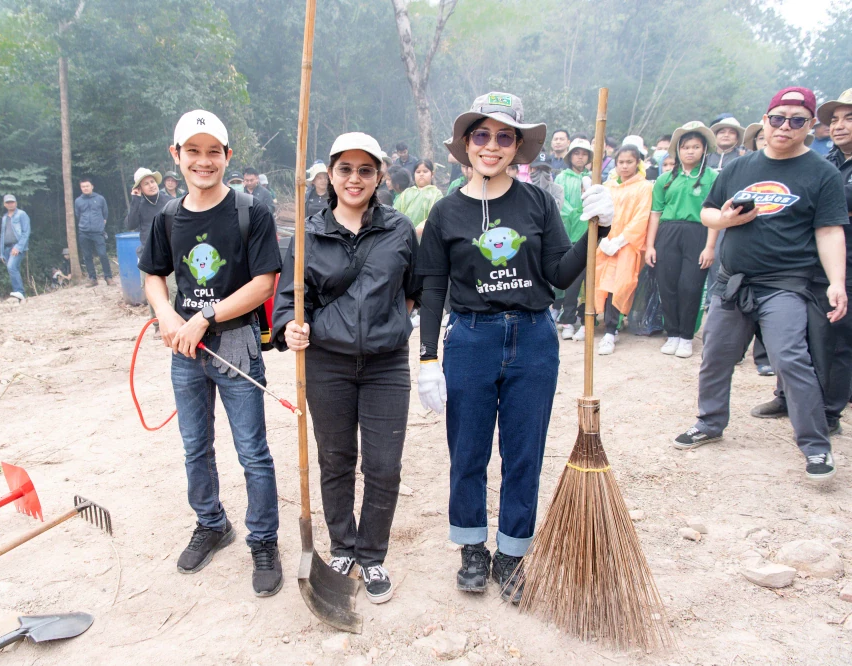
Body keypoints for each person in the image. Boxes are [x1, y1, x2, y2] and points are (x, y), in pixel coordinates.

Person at [414, 91, 615, 599]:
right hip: (471, 339)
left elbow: (559, 275)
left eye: (505, 137)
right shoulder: (445, 212)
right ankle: (472, 549)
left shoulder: (538, 203)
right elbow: (432, 289)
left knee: (524, 453)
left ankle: (511, 553)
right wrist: (428, 358)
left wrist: (597, 230)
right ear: (466, 143)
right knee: (468, 452)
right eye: (482, 134)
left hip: (533, 339)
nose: (492, 145)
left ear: (517, 146)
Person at [137, 109, 284, 595]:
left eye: (213, 152)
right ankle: (211, 522)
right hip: (185, 348)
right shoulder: (167, 215)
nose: (204, 161)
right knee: (195, 446)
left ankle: (263, 540)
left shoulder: (250, 211)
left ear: (227, 156)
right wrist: (165, 312)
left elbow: (264, 283)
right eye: (193, 152)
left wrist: (206, 315)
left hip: (236, 342)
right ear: (175, 155)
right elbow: (153, 275)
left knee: (252, 452)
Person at [272, 132, 420, 604]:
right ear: (329, 176)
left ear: (379, 177)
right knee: (335, 459)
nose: (354, 179)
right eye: (345, 169)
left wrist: (387, 325)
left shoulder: (399, 229)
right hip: (326, 364)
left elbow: (413, 290)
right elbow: (288, 300)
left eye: (365, 170)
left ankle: (372, 555)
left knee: (384, 465)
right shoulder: (308, 234)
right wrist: (289, 328)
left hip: (386, 365)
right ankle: (342, 547)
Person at [674, 87, 849, 482]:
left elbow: (829, 231)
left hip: (784, 284)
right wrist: (725, 221)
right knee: (715, 355)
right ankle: (709, 422)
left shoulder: (821, 173)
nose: (785, 126)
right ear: (765, 121)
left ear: (810, 125)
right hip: (732, 282)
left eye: (797, 120)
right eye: (778, 118)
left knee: (791, 359)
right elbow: (708, 212)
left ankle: (816, 445)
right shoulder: (740, 167)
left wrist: (836, 282)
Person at [749, 88, 852, 434]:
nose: (839, 126)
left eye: (849, 118)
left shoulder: (819, 168)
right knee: (795, 335)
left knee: (835, 340)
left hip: (844, 264)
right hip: (807, 261)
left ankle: (830, 411)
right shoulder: (828, 160)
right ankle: (786, 397)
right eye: (834, 119)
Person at [644, 121, 718, 358]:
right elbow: (655, 214)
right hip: (667, 233)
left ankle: (686, 336)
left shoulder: (712, 177)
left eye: (695, 147)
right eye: (685, 147)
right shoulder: (665, 179)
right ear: (677, 150)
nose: (690, 151)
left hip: (698, 232)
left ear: (704, 149)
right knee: (667, 285)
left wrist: (710, 247)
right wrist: (650, 245)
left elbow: (714, 214)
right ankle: (672, 333)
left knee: (690, 286)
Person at [594, 145, 653, 355]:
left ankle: (611, 330)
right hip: (606, 244)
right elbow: (598, 213)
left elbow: (641, 217)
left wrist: (620, 241)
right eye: (621, 162)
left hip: (627, 245)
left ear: (638, 163)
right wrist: (603, 240)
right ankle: (606, 326)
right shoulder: (608, 187)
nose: (625, 166)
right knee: (603, 284)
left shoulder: (644, 187)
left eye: (630, 162)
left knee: (620, 285)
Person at [125, 168, 174, 333]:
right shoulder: (138, 204)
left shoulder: (168, 201)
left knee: (174, 288)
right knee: (152, 291)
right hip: (149, 253)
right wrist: (135, 199)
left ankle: (178, 321)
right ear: (140, 188)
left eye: (152, 181)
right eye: (146, 183)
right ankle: (158, 325)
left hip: (170, 251)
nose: (151, 185)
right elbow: (130, 224)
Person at [554, 138, 593, 339]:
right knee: (571, 279)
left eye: (584, 154)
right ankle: (566, 318)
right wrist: (578, 212)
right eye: (576, 153)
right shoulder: (562, 178)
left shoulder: (592, 178)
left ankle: (583, 318)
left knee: (588, 279)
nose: (580, 157)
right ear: (570, 156)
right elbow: (560, 205)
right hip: (568, 235)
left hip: (589, 235)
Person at [74, 177, 112, 287]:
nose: (85, 188)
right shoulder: (78, 201)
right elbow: (78, 214)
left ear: (92, 186)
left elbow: (105, 214)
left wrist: (100, 225)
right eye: (83, 186)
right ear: (81, 188)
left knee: (102, 254)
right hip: (84, 232)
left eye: (87, 186)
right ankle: (92, 279)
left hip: (98, 232)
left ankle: (108, 277)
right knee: (87, 256)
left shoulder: (100, 199)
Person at [394, 158, 443, 234]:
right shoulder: (406, 193)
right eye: (418, 172)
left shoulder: (436, 194)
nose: (421, 174)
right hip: (404, 236)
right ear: (414, 174)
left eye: (425, 171)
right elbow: (395, 214)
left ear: (432, 174)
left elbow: (436, 218)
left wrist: (416, 232)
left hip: (426, 237)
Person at [0, 194, 30, 302]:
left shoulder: (22, 214)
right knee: (12, 269)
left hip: (17, 246)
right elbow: (2, 235)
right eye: (8, 202)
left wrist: (19, 247)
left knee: (11, 267)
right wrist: (1, 253)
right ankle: (20, 295)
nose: (10, 204)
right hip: (7, 247)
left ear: (16, 203)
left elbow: (26, 232)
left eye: (12, 202)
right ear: (4, 204)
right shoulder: (4, 217)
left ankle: (19, 292)